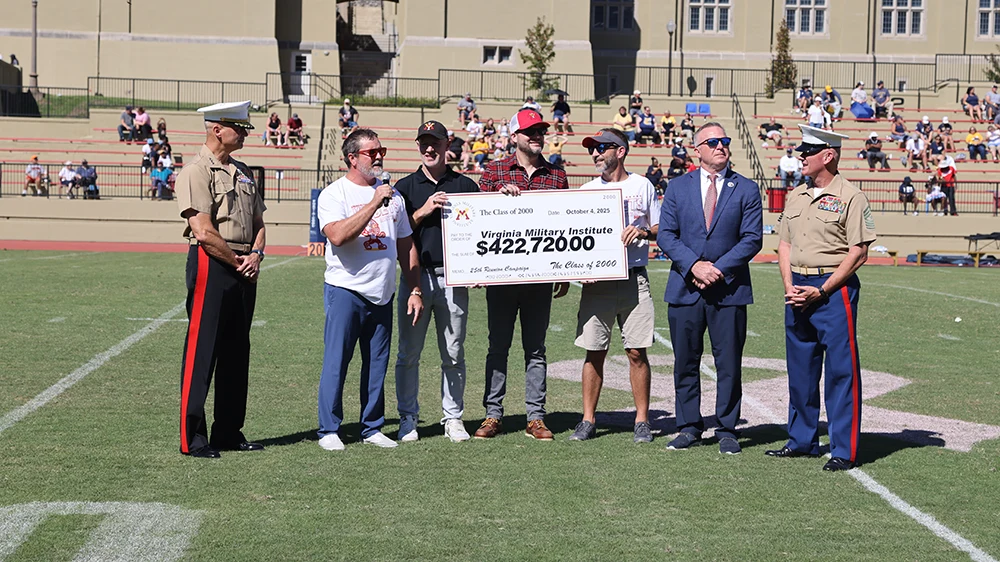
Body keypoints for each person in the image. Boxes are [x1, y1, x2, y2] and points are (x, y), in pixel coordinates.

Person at [767, 124, 876, 472]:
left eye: (808, 151)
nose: (801, 156)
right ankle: (801, 441)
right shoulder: (797, 194)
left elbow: (858, 252)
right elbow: (784, 244)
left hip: (833, 290)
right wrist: (789, 285)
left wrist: (824, 289)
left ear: (827, 156)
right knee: (800, 368)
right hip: (797, 287)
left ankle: (844, 449)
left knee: (841, 372)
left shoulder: (852, 196)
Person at [656, 122, 763, 455]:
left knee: (728, 363)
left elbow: (752, 239)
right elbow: (666, 235)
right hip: (685, 288)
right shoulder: (677, 187)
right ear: (696, 149)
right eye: (713, 141)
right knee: (685, 361)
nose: (721, 146)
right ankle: (688, 426)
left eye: (725, 141)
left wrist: (717, 269)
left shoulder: (746, 188)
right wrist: (694, 266)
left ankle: (727, 428)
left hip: (728, 290)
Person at [315, 128, 424, 451]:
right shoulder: (335, 195)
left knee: (377, 364)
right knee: (337, 360)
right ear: (352, 158)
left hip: (383, 292)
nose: (379, 156)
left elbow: (405, 244)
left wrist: (415, 288)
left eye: (381, 150)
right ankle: (329, 429)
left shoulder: (395, 197)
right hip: (345, 289)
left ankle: (372, 426)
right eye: (371, 152)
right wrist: (375, 202)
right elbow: (337, 236)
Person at [174, 100, 267, 459]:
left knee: (236, 352)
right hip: (213, 262)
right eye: (239, 127)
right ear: (217, 129)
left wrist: (255, 255)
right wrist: (237, 261)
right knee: (202, 350)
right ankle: (193, 438)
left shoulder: (243, 171)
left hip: (244, 263)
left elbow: (259, 223)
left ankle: (228, 431)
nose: (244, 133)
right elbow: (203, 229)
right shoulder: (196, 171)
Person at [474, 108, 570, 441]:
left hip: (540, 278)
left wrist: (565, 270)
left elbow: (565, 225)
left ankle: (535, 417)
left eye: (541, 130)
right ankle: (493, 414)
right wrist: (497, 200)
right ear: (514, 136)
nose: (537, 136)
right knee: (497, 347)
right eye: (530, 131)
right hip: (501, 277)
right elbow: (476, 221)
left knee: (536, 349)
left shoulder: (557, 175)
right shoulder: (494, 171)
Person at [568, 128, 660, 443]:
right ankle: (588, 419)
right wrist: (579, 269)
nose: (595, 154)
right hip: (598, 283)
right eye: (592, 149)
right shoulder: (587, 189)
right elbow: (575, 238)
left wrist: (643, 232)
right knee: (594, 351)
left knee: (637, 351)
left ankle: (642, 420)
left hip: (634, 277)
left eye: (601, 148)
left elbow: (660, 227)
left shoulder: (642, 185)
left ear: (620, 151)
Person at [393, 120, 481, 444]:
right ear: (418, 146)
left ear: (447, 145)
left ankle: (453, 417)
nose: (429, 148)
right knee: (408, 353)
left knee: (454, 353)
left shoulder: (466, 185)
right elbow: (397, 235)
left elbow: (480, 234)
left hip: (454, 278)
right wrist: (423, 211)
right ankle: (407, 416)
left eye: (435, 142)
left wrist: (477, 270)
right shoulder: (405, 187)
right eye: (424, 142)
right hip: (415, 279)